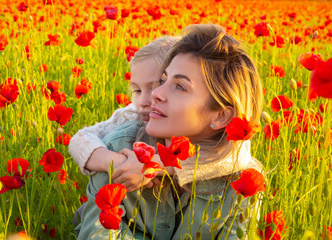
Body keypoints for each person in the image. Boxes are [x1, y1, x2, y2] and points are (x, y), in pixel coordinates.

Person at [74, 23, 264, 239]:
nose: (155, 93)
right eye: (163, 80)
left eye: (180, 86)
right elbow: (96, 234)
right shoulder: (118, 151)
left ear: (220, 116)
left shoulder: (242, 182)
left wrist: (159, 166)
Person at [69, 36, 180, 190]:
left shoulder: (198, 122)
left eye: (154, 88)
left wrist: (151, 165)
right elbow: (79, 141)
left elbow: (213, 161)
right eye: (137, 90)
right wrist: (121, 164)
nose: (142, 101)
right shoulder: (132, 114)